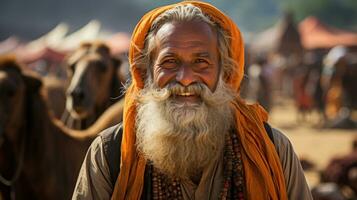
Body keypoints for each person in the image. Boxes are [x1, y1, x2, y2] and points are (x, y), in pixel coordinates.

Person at [72, 1, 312, 199]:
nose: (185, 79)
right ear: (147, 74)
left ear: (224, 73)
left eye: (201, 62)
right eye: (169, 62)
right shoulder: (110, 155)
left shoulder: (273, 150)